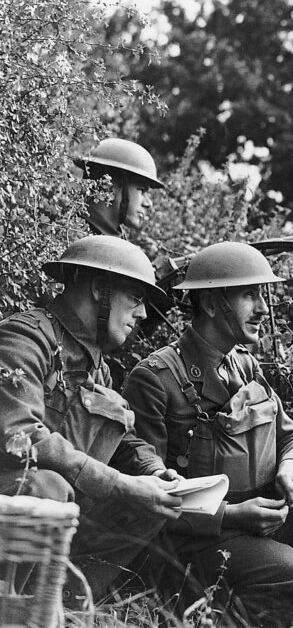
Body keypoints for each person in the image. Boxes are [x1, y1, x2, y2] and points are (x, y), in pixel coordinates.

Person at [121, 241, 293, 623]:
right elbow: (151, 495)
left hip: (255, 516)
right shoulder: (155, 378)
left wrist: (292, 466)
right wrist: (233, 515)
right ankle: (242, 607)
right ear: (212, 304)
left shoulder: (245, 366)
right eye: (250, 295)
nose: (263, 308)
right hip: (198, 539)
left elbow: (291, 434)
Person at [0, 236, 183, 597]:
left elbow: (123, 441)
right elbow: (18, 439)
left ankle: (65, 603)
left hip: (56, 515)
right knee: (46, 488)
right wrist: (119, 483)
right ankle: (13, 606)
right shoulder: (23, 339)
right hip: (15, 505)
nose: (142, 314)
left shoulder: (95, 365)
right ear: (100, 289)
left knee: (151, 504)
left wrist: (151, 472)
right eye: (135, 298)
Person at [75, 137, 164, 238]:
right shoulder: (71, 235)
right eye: (142, 191)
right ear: (107, 186)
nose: (148, 203)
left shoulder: (116, 240)